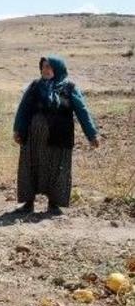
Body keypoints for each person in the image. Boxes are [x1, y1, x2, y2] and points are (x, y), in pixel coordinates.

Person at [13, 56, 99, 215]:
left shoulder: (70, 88)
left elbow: (82, 111)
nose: (45, 70)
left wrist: (91, 134)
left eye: (49, 67)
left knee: (58, 169)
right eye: (43, 67)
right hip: (33, 139)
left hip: (59, 137)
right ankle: (28, 204)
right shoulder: (34, 86)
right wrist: (18, 129)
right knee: (30, 167)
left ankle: (54, 205)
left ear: (58, 68)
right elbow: (23, 109)